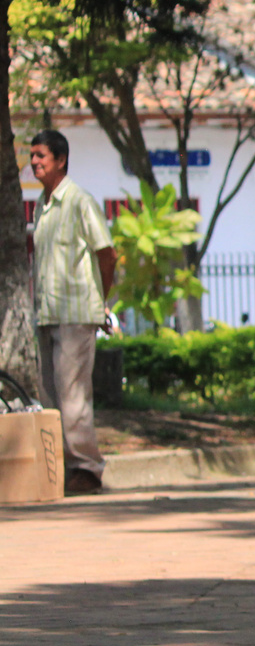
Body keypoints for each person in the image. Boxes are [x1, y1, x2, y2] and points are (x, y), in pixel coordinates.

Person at [29, 129, 114, 496]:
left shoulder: (80, 201)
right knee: (50, 394)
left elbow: (106, 253)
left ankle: (87, 469)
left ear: (61, 160)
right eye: (32, 156)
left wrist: (99, 298)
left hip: (77, 314)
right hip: (47, 314)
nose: (34, 162)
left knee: (74, 394)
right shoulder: (40, 205)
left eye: (41, 156)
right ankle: (62, 469)